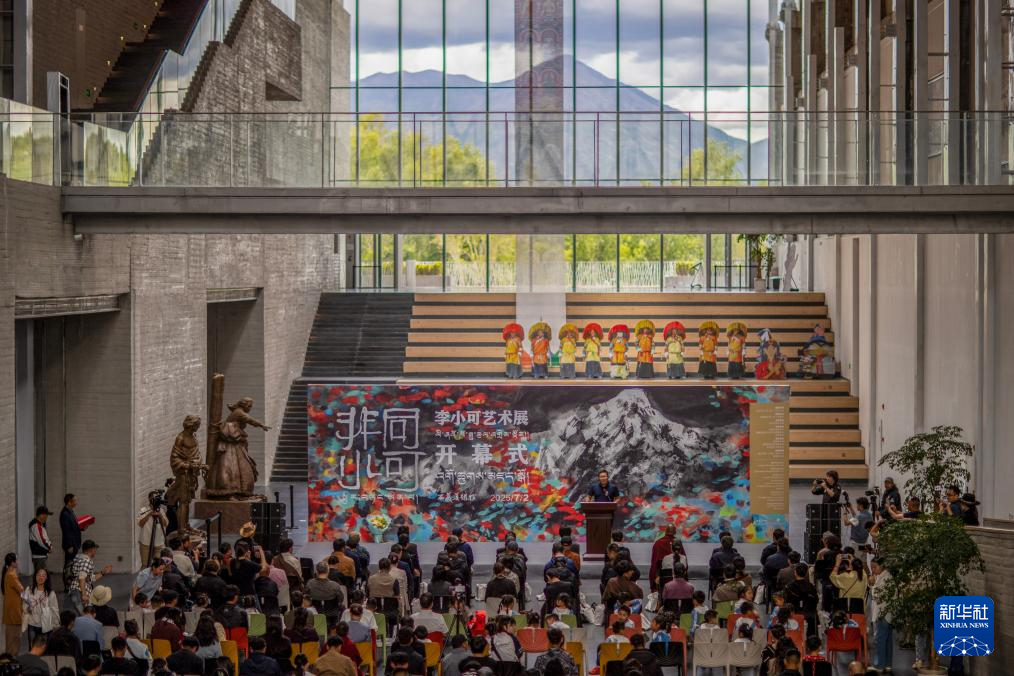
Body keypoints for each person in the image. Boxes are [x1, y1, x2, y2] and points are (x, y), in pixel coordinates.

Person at [68, 540, 112, 614]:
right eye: (95, 549)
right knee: (85, 617)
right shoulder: (86, 561)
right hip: (79, 592)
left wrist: (102, 573)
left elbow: (89, 578)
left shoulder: (79, 559)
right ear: (91, 549)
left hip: (76, 591)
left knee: (84, 616)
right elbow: (82, 577)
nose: (96, 551)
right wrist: (84, 594)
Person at [868, 557, 893, 673]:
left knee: (880, 639)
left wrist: (872, 585)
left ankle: (879, 665)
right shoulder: (882, 576)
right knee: (887, 640)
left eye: (875, 567)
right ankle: (887, 664)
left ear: (882, 566)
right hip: (885, 612)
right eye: (871, 567)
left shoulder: (886, 578)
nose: (873, 570)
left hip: (882, 613)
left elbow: (878, 596)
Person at [137, 493, 169, 567]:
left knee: (158, 565)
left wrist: (160, 515)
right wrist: (150, 514)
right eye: (153, 498)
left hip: (159, 543)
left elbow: (166, 523)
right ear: (149, 499)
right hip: (146, 542)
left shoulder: (161, 510)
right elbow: (140, 523)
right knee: (145, 565)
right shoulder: (143, 510)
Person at [2, 553, 24, 654]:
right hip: (14, 611)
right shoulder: (11, 575)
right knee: (15, 637)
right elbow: (21, 589)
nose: (18, 562)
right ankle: (12, 658)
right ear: (12, 563)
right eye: (16, 560)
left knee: (11, 636)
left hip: (11, 609)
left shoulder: (9, 573)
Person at [59, 494, 83, 587]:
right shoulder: (65, 514)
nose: (76, 502)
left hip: (74, 543)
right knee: (68, 565)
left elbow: (73, 527)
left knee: (72, 565)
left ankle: (71, 583)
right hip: (70, 545)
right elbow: (66, 531)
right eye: (75, 500)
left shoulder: (70, 511)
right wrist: (69, 545)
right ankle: (67, 585)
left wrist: (82, 527)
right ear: (69, 502)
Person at [27, 507, 54, 574]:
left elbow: (45, 538)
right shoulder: (36, 526)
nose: (46, 517)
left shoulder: (39, 525)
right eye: (46, 515)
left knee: (40, 576)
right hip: (39, 556)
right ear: (41, 515)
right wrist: (49, 548)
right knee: (41, 576)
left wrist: (49, 546)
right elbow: (41, 541)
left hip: (40, 555)